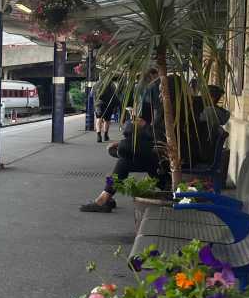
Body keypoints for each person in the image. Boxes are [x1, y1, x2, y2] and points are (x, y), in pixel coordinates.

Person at [80, 74, 214, 213]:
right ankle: (105, 196)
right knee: (124, 160)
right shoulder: (177, 106)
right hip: (167, 151)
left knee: (126, 150)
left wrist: (143, 126)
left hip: (177, 155)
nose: (160, 94)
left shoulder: (180, 110)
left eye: (163, 91)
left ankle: (107, 195)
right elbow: (159, 133)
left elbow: (165, 136)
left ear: (173, 92)